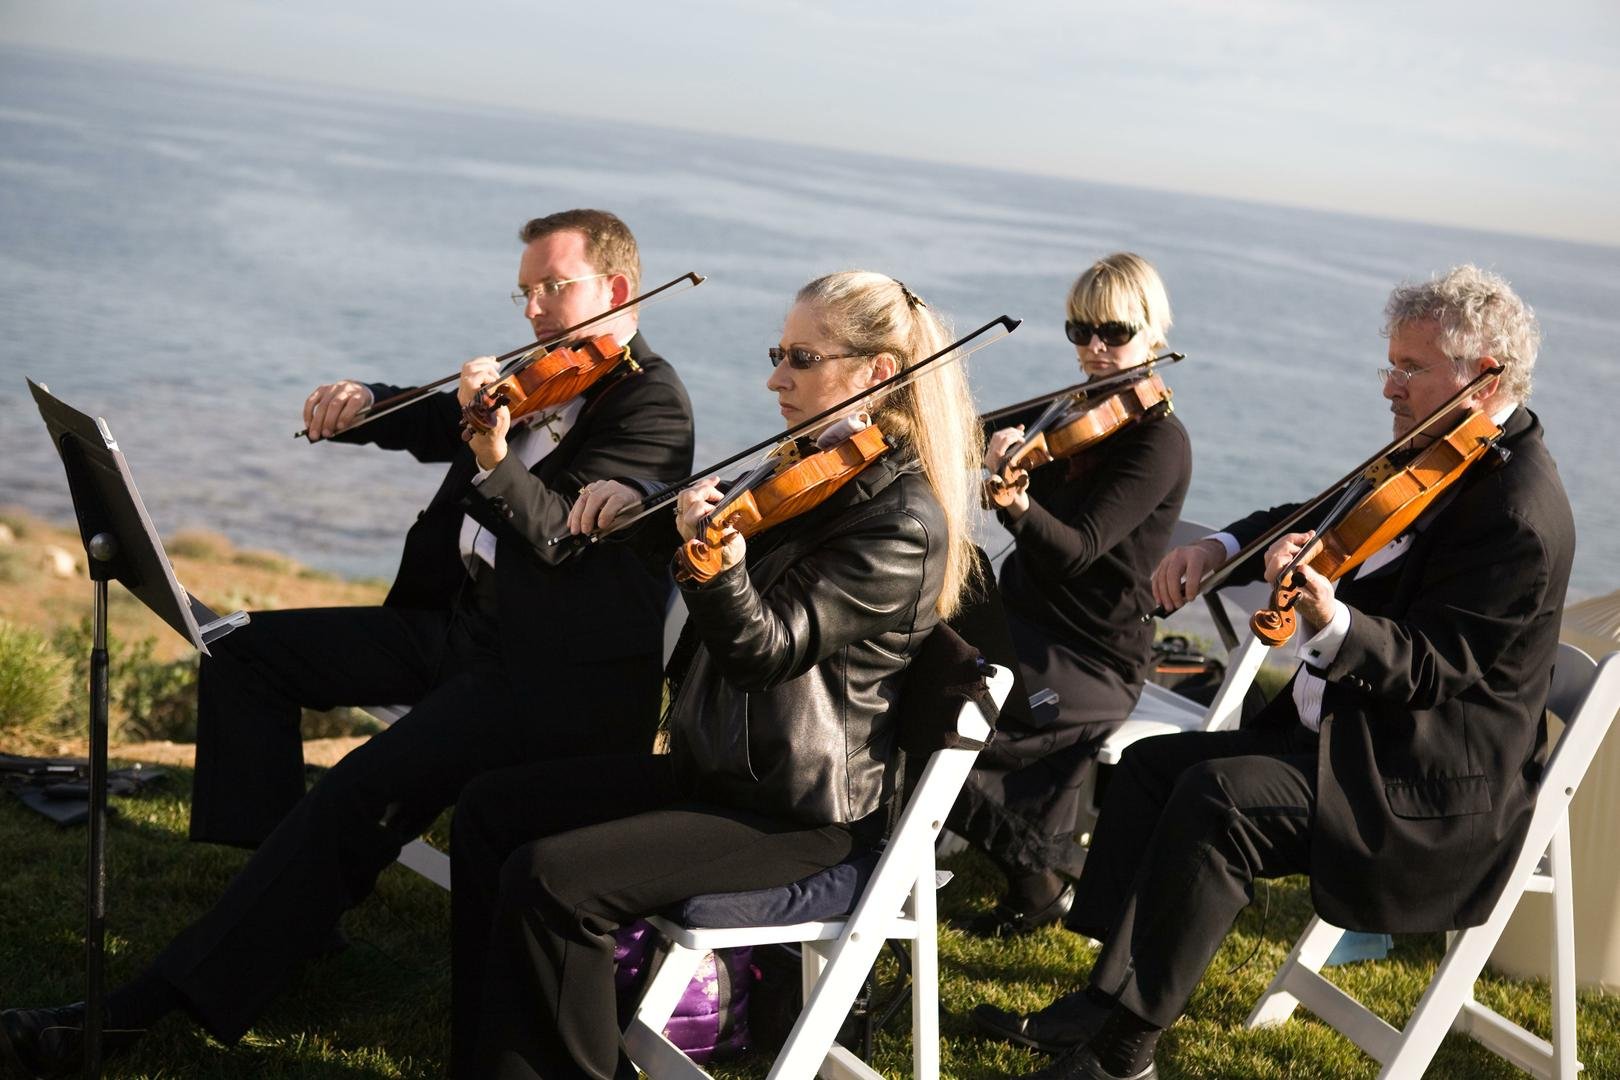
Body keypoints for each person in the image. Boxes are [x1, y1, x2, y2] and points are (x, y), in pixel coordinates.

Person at [0, 209, 695, 1076]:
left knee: (354, 791)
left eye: (553, 288)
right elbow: (434, 419)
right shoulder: (537, 372)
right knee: (242, 650)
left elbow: (557, 538)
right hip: (460, 630)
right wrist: (365, 403)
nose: (532, 311)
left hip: (550, 675)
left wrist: (491, 453)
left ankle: (129, 1019)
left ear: (617, 291)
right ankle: (297, 919)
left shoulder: (654, 407)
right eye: (523, 292)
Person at [974, 265, 1575, 1080]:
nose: (1390, 387)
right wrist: (1220, 546)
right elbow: (1322, 513)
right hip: (1346, 737)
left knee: (1220, 803)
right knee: (1151, 770)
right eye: (1389, 364)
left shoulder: (1517, 516)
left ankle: (1124, 1054)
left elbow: (1438, 670)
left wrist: (1331, 622)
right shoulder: (1440, 447)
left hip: (1418, 782)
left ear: (1484, 375)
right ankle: (1101, 994)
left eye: (1411, 368)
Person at [447, 271, 983, 1078]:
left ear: (876, 375)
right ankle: (487, 1059)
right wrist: (637, 500)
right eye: (779, 353)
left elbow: (764, 650)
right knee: (491, 809)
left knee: (555, 879)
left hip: (800, 818)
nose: (776, 378)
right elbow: (699, 522)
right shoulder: (809, 469)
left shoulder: (900, 523)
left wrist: (716, 573)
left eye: (802, 358)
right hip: (722, 775)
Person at [951, 253, 1191, 936]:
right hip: (1019, 622)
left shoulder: (1159, 442)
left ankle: (1038, 881)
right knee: (916, 679)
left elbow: (1078, 551)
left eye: (1113, 333)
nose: (1094, 350)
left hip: (1089, 656)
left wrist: (1017, 505)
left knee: (954, 719)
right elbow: (961, 434)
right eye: (1079, 332)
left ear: (1152, 334)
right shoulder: (1072, 408)